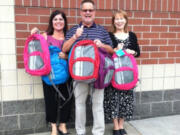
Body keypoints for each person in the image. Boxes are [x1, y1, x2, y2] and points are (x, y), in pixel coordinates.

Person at [62, 0, 114, 135]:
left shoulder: (102, 30)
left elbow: (111, 50)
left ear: (94, 12)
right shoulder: (74, 30)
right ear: (81, 12)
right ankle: (80, 132)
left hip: (98, 75)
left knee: (98, 106)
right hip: (79, 76)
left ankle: (98, 132)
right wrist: (75, 37)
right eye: (85, 10)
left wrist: (102, 45)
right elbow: (64, 48)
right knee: (79, 105)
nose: (88, 13)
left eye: (90, 10)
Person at [31, 10, 73, 135]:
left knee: (67, 99)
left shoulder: (69, 37)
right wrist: (35, 33)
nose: (58, 22)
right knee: (50, 100)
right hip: (49, 74)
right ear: (51, 22)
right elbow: (36, 48)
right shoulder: (45, 36)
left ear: (64, 22)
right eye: (55, 19)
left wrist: (66, 57)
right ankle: (54, 126)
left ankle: (63, 125)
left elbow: (75, 54)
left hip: (67, 74)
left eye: (61, 19)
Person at [104, 10, 140, 135]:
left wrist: (132, 52)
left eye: (121, 18)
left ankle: (121, 125)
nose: (119, 21)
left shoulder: (132, 35)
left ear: (126, 20)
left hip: (129, 72)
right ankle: (115, 127)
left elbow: (138, 52)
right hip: (115, 72)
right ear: (113, 22)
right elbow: (107, 52)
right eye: (116, 19)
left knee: (126, 99)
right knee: (114, 99)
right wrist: (115, 50)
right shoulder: (109, 35)